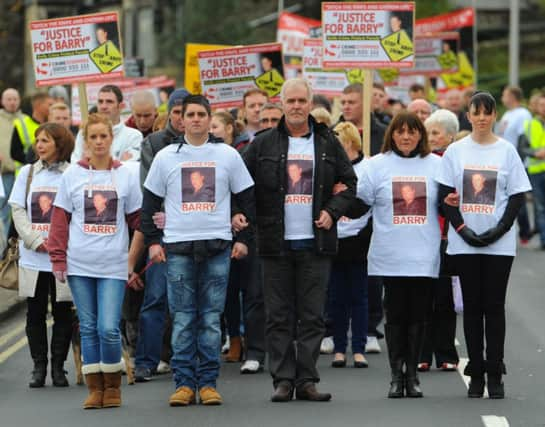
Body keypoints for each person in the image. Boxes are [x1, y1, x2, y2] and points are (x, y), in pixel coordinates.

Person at [242, 78, 358, 402]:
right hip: (273, 242)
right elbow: (240, 185)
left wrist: (332, 212)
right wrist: (243, 220)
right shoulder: (263, 144)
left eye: (301, 101)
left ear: (310, 104)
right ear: (281, 103)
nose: (295, 106)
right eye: (290, 101)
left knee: (312, 315)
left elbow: (350, 183)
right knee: (277, 315)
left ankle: (306, 379)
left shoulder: (327, 142)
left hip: (315, 242)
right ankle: (282, 379)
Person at [141, 95, 255, 406]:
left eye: (200, 114)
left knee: (209, 319)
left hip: (218, 247)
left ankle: (207, 383)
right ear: (180, 119)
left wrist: (244, 237)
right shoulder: (166, 157)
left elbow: (248, 198)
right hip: (177, 249)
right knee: (182, 319)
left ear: (208, 118)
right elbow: (149, 203)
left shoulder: (228, 155)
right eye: (189, 114)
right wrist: (153, 242)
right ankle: (183, 384)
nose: (194, 119)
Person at [437, 91, 531, 399]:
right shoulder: (455, 151)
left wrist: (500, 229)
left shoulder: (506, 151)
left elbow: (517, 195)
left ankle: (495, 371)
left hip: (498, 244)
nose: (481, 118)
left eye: (487, 112)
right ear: (468, 115)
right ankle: (476, 371)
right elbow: (444, 196)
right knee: (473, 307)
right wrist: (462, 229)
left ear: (494, 116)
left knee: (494, 306)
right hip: (465, 242)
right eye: (475, 112)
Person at [48, 113, 142, 409]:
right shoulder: (72, 176)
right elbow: (60, 220)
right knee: (87, 327)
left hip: (113, 265)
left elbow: (139, 221)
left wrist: (131, 260)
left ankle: (113, 386)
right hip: (80, 265)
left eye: (104, 136)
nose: (99, 142)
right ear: (85, 141)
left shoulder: (126, 174)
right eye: (93, 137)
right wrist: (58, 259)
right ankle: (95, 387)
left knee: (108, 328)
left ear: (111, 139)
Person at [359, 111, 441, 398]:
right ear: (391, 135)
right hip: (390, 254)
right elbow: (360, 205)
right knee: (394, 317)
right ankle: (396, 376)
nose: (406, 137)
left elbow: (447, 204)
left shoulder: (436, 165)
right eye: (400, 131)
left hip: (423, 254)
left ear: (421, 135)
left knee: (418, 316)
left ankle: (413, 376)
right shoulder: (376, 166)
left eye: (412, 131)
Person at [8, 123, 74, 388]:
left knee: (63, 313)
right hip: (33, 258)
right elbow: (17, 209)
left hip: (62, 257)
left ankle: (58, 368)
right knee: (34, 313)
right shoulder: (27, 173)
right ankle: (39, 368)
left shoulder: (72, 173)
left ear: (60, 143)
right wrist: (34, 240)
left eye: (45, 140)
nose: (40, 145)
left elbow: (77, 212)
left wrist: (58, 242)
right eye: (38, 140)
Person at [133, 88, 190, 383]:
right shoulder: (154, 143)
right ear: (170, 113)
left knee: (192, 303)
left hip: (196, 233)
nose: (182, 118)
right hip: (165, 233)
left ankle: (185, 360)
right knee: (155, 298)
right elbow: (149, 191)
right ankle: (146, 361)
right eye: (177, 112)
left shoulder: (209, 144)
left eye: (188, 112)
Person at [417, 109, 460, 373]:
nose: (430, 137)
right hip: (422, 235)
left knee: (444, 299)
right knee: (422, 297)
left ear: (450, 136)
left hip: (448, 237)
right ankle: (422, 353)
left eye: (435, 132)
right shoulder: (421, 162)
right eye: (428, 132)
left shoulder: (455, 162)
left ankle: (446, 354)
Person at [329, 121, 371, 369]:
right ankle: (338, 348)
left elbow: (371, 203)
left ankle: (359, 348)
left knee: (359, 296)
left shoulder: (367, 168)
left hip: (360, 239)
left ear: (351, 143)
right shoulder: (330, 169)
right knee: (336, 297)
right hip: (335, 238)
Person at [71, 85, 143, 162]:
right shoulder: (84, 133)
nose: (104, 106)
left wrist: (93, 158)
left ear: (121, 106)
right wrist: (118, 161)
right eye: (100, 102)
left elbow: (129, 169)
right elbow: (75, 166)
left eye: (109, 102)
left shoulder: (133, 136)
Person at [519, 93, 545, 249]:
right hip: (536, 171)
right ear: (537, 107)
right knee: (540, 207)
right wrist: (535, 153)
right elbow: (522, 148)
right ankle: (544, 240)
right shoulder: (529, 124)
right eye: (542, 105)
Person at [339, 83, 386, 156]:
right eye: (343, 103)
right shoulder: (332, 133)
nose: (346, 107)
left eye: (351, 102)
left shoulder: (384, 134)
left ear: (365, 103)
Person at [0, 88, 23, 239]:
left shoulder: (25, 120)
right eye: (9, 99)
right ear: (2, 101)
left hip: (20, 174)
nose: (12, 102)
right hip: (2, 174)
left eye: (15, 99)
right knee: (2, 210)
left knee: (15, 211)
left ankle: (8, 248)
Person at [10, 92, 52, 167]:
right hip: (27, 175)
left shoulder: (53, 125)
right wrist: (33, 163)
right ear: (38, 106)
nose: (52, 108)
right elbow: (15, 153)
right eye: (49, 105)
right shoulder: (21, 124)